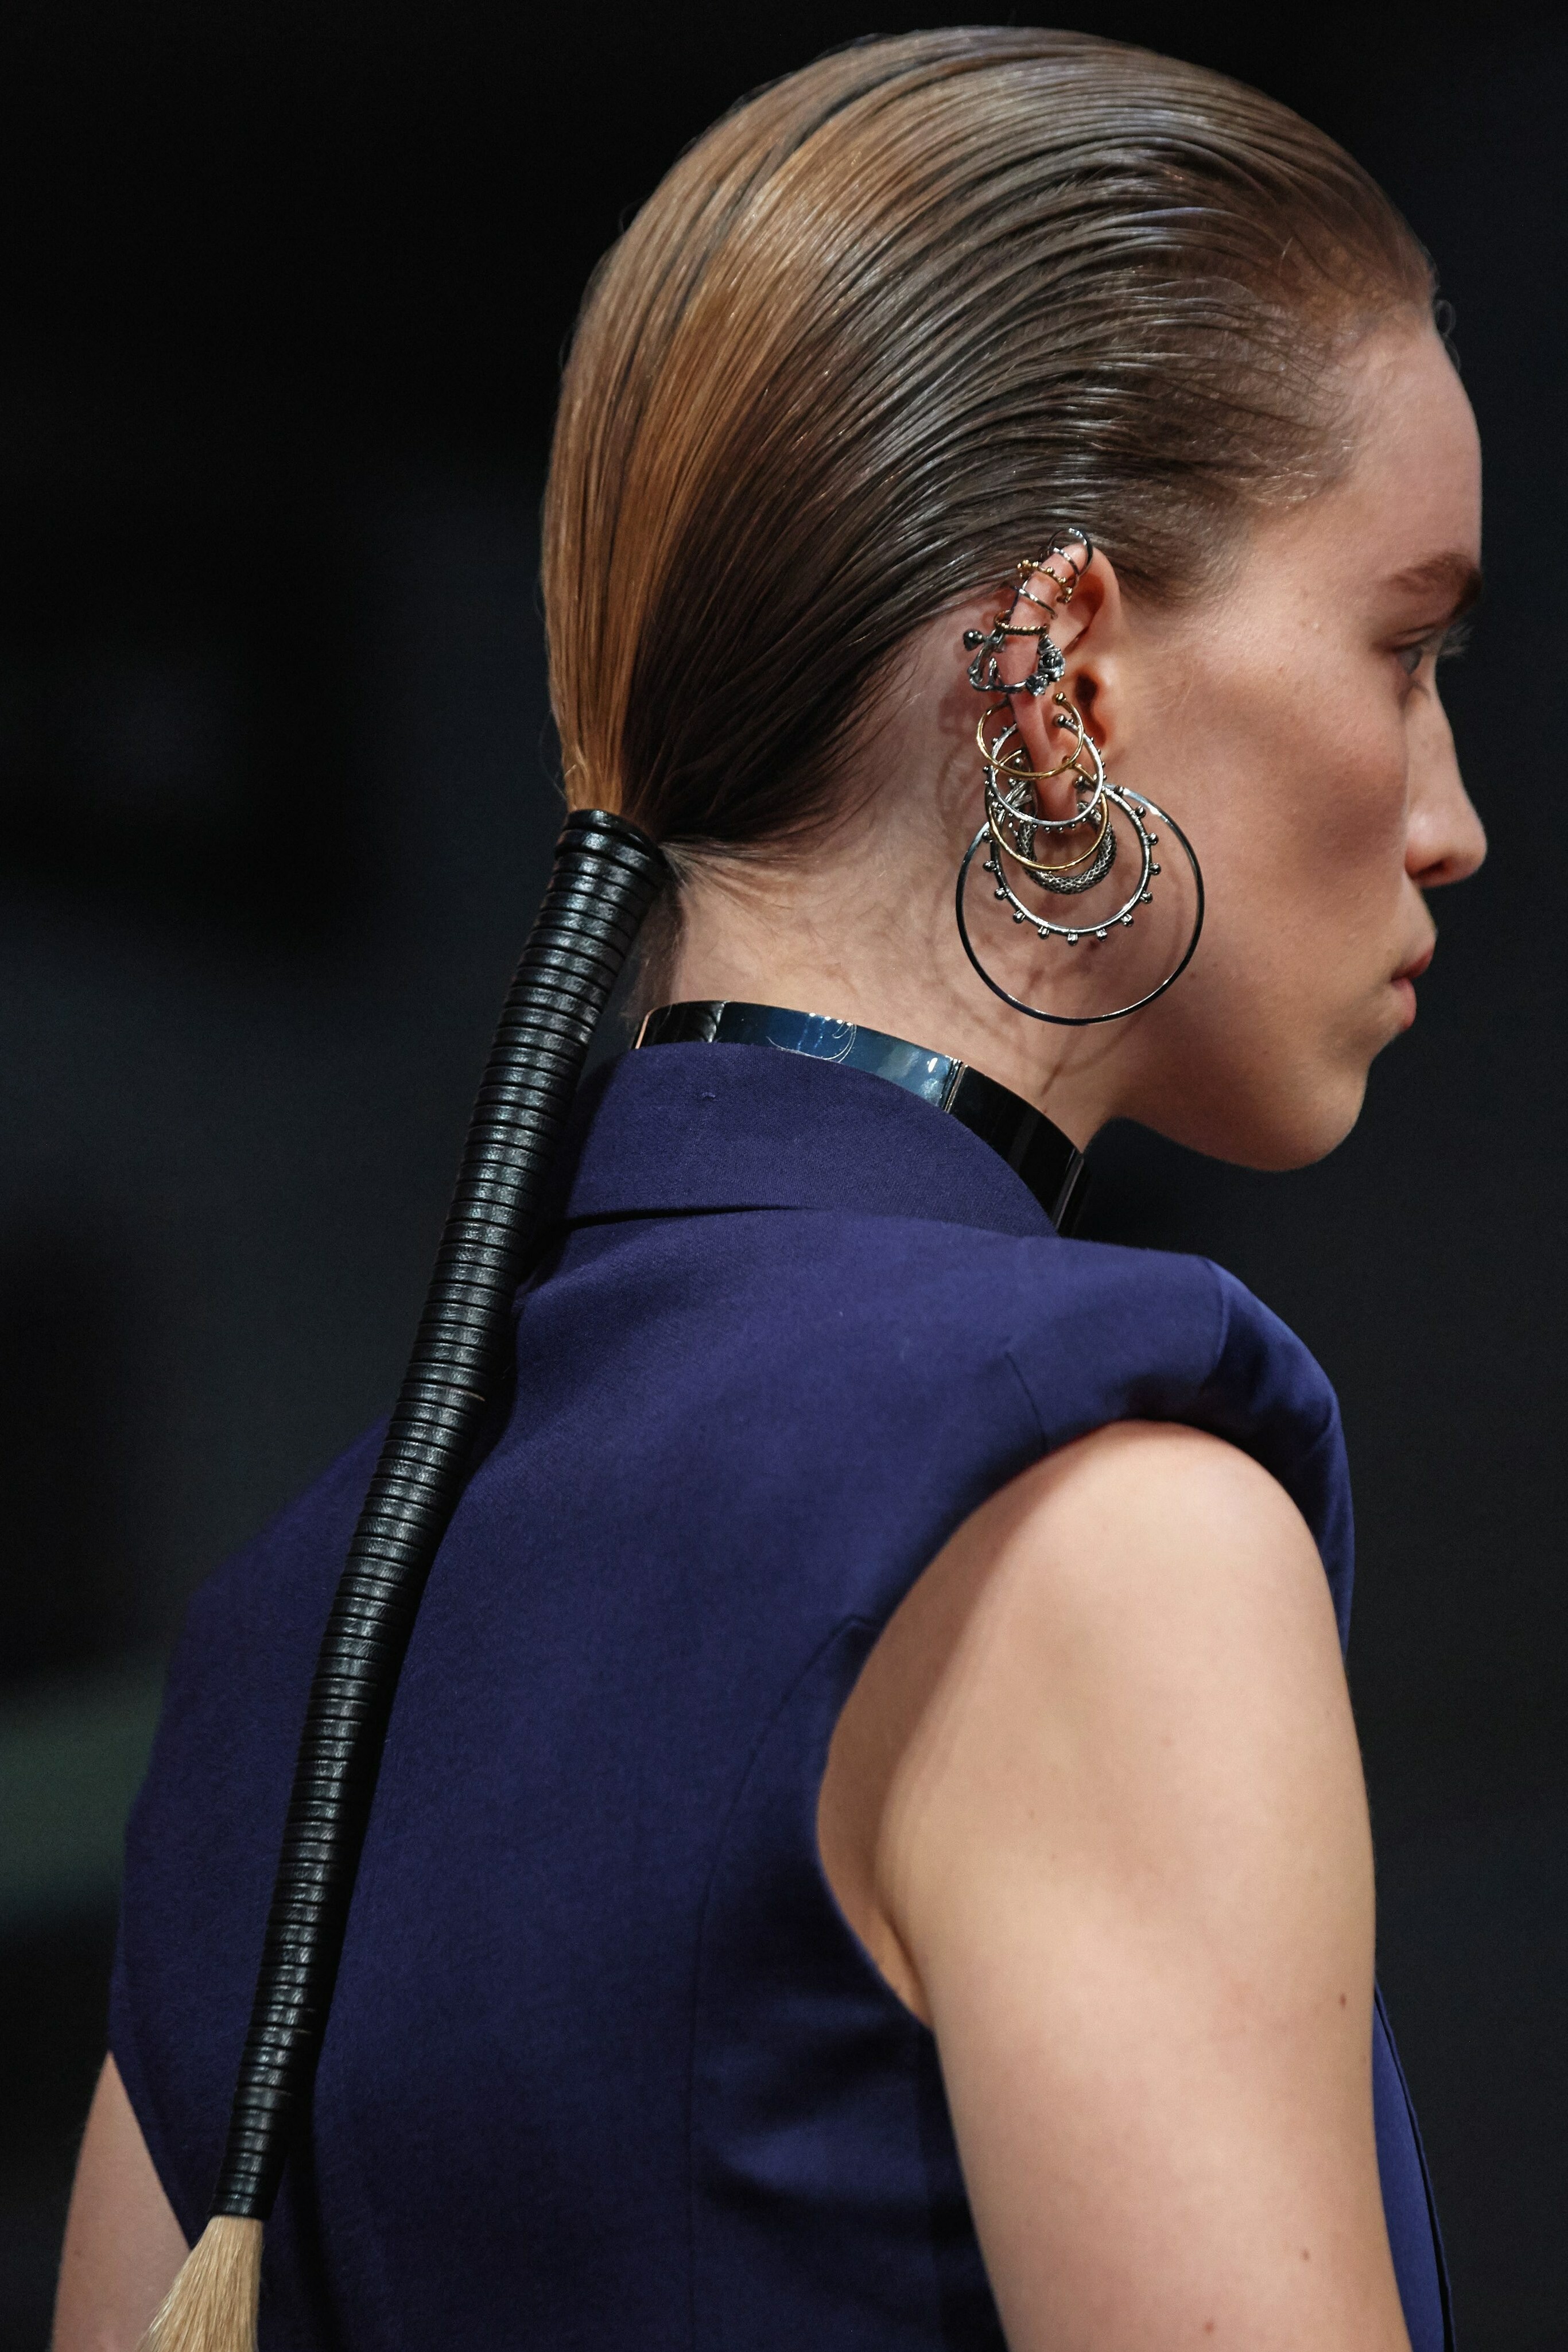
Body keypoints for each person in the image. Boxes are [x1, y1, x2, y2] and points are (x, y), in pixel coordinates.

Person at [55, 27, 1484, 2352]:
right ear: (1060, 683)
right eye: (1402, 646)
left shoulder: (292, 1652)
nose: (1449, 817)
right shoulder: (1083, 1526)